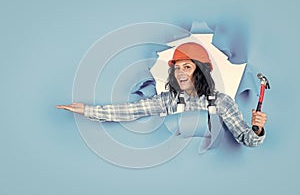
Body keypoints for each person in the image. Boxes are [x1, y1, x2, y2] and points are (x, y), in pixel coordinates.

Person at [56, 42, 267, 147]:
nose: (181, 72)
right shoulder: (169, 101)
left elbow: (247, 139)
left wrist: (257, 130)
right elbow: (131, 111)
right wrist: (86, 110)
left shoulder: (222, 102)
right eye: (177, 67)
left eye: (187, 66)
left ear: (201, 71)